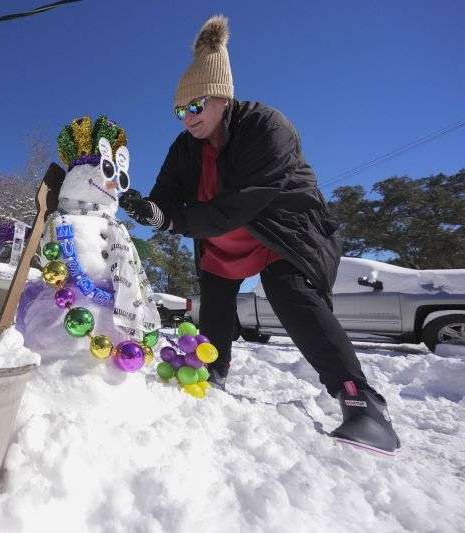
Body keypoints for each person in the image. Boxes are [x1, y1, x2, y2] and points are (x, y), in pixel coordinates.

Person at [119, 15, 400, 454]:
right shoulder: (183, 148)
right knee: (214, 298)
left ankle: (362, 402)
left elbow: (245, 202)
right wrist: (150, 209)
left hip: (283, 230)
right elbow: (167, 198)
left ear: (222, 98)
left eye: (195, 106)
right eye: (179, 110)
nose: (187, 118)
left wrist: (173, 219)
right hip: (221, 237)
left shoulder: (266, 127)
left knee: (289, 292)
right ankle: (212, 371)